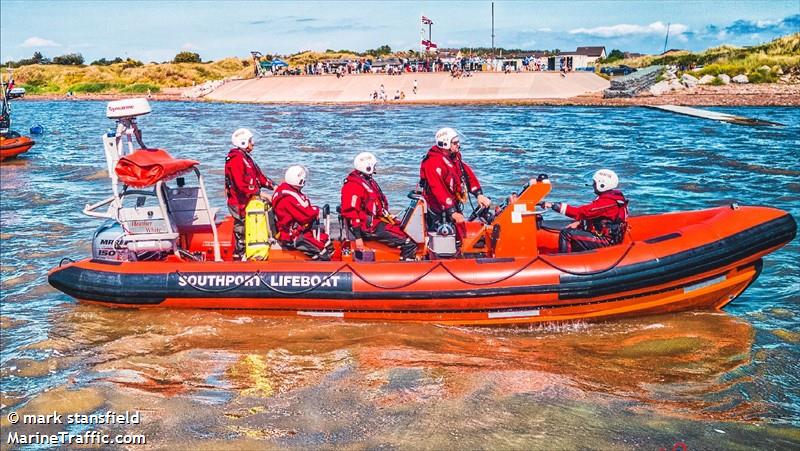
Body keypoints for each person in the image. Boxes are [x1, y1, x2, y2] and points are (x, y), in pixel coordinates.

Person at [341, 152, 418, 261]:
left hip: (375, 222)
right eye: (374, 165)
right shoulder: (353, 186)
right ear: (367, 167)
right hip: (367, 228)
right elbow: (351, 213)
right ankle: (406, 267)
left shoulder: (366, 180)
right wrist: (358, 238)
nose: (375, 168)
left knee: (408, 231)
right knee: (408, 242)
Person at [419, 127, 491, 241]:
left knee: (460, 233)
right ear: (445, 143)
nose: (458, 145)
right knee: (445, 238)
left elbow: (466, 174)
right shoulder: (433, 163)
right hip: (437, 208)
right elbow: (438, 189)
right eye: (455, 142)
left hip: (451, 204)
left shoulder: (454, 157)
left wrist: (479, 194)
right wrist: (452, 212)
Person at [543, 169, 629, 253]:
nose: (593, 185)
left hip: (607, 241)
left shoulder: (607, 202)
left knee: (566, 233)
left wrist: (553, 205)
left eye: (594, 183)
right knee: (574, 230)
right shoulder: (612, 197)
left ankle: (564, 261)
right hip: (609, 236)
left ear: (602, 185)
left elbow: (580, 212)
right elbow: (596, 216)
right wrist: (579, 223)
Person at [225, 128, 275, 260]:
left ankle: (254, 250)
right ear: (243, 142)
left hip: (248, 201)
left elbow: (260, 177)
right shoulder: (235, 159)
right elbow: (240, 185)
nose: (253, 144)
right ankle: (240, 255)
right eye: (250, 141)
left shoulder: (247, 159)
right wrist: (261, 194)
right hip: (239, 202)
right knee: (242, 227)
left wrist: (274, 187)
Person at [272, 165, 333, 260]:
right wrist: (315, 210)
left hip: (300, 231)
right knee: (322, 252)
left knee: (327, 242)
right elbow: (305, 216)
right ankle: (321, 267)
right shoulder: (288, 198)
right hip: (293, 236)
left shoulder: (288, 191)